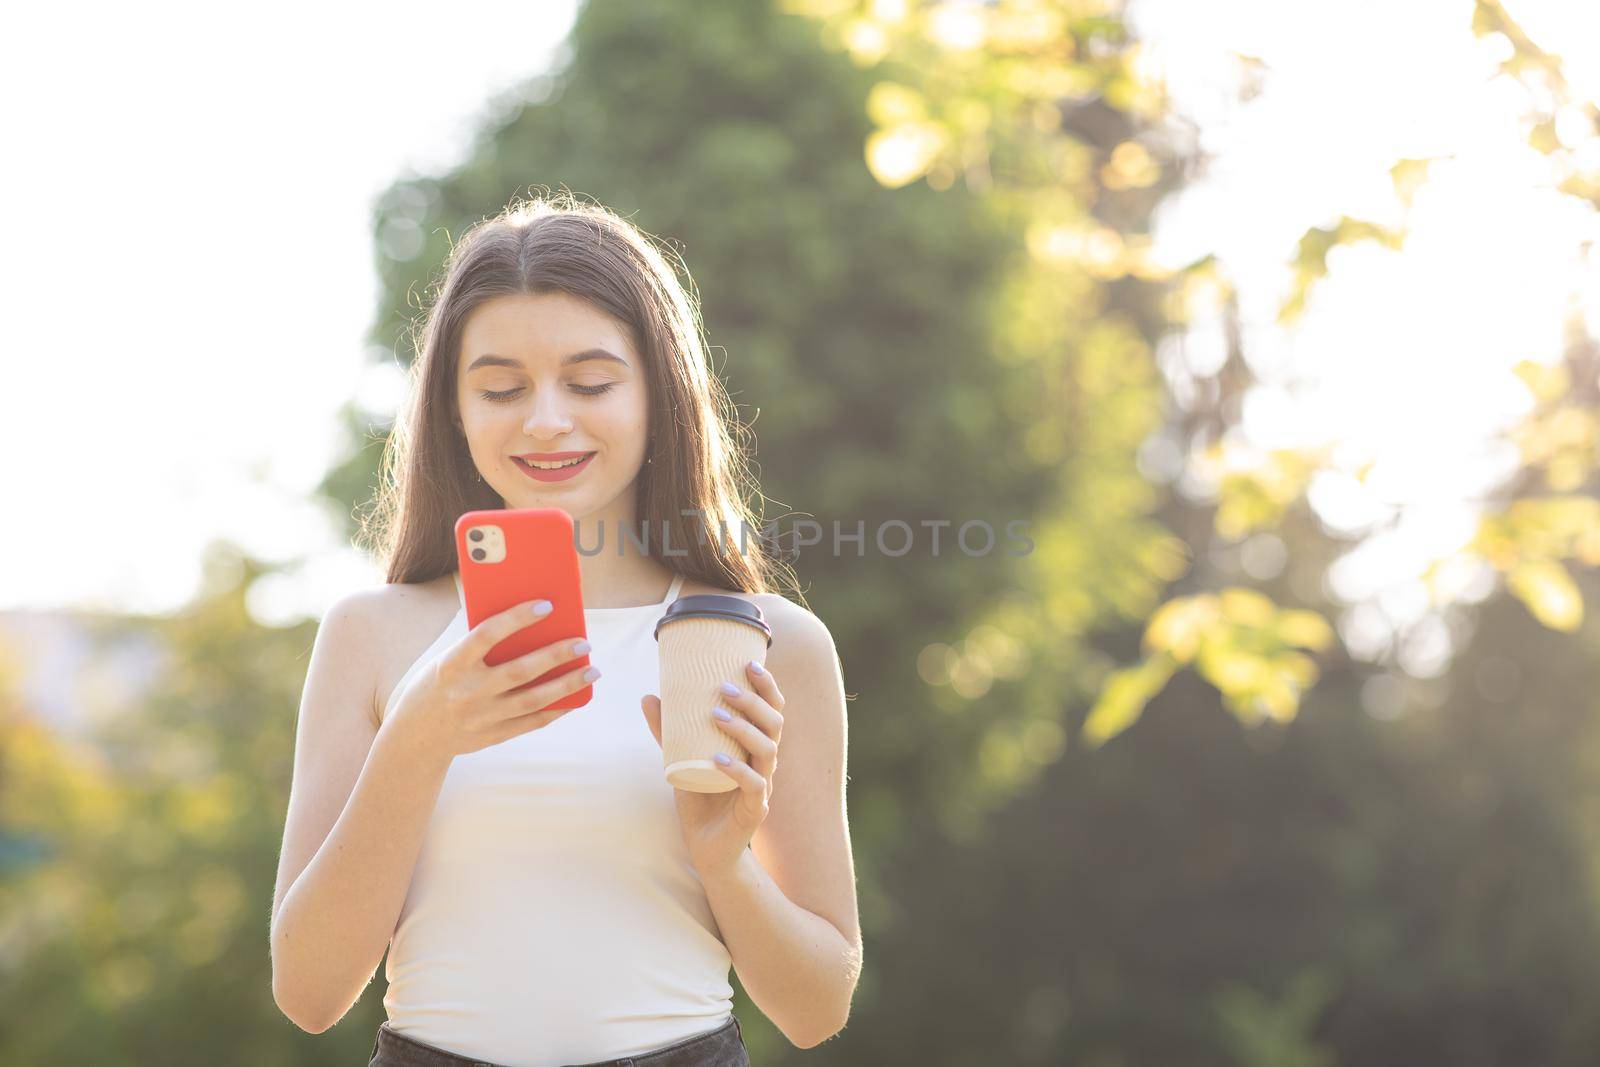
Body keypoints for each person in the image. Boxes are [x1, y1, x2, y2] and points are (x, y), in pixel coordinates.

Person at [269, 193, 862, 1067]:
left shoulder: (766, 640)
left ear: (659, 395)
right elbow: (309, 994)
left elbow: (816, 1010)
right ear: (454, 410)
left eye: (590, 383)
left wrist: (724, 861)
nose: (546, 419)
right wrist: (417, 740)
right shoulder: (374, 635)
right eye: (502, 387)